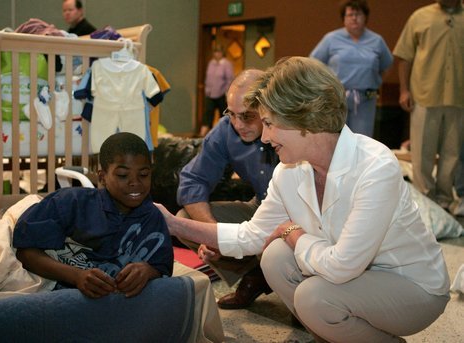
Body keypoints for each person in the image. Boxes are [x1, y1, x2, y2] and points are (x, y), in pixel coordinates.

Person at [157, 56, 450, 342]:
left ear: (305, 119)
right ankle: (332, 336)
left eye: (269, 123)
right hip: (347, 274)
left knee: (314, 298)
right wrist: (173, 224)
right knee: (274, 258)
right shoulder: (290, 171)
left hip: (412, 287)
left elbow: (342, 266)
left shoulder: (375, 166)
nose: (264, 137)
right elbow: (250, 235)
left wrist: (293, 234)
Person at [13, 132, 173, 299]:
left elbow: (162, 267)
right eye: (123, 175)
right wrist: (75, 276)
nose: (135, 183)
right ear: (102, 177)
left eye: (144, 174)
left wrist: (148, 271)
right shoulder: (71, 202)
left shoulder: (152, 218)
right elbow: (24, 251)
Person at [177, 69, 279, 309]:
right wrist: (214, 235)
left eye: (247, 116)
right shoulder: (226, 130)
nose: (237, 124)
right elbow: (192, 181)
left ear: (268, 108)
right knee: (187, 222)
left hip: (297, 215)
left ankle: (291, 287)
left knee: (278, 254)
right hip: (260, 206)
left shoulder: (288, 128)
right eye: (231, 114)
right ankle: (256, 274)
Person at [393, 0, 464, 212]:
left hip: (458, 98)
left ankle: (444, 199)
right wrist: (404, 90)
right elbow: (404, 57)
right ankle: (425, 201)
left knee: (452, 153)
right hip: (424, 95)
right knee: (422, 151)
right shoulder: (419, 16)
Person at [310, 0, 393, 138]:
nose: (354, 18)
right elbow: (314, 63)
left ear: (365, 17)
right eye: (350, 14)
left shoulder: (376, 40)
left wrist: (376, 82)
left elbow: (387, 65)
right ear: (344, 18)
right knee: (335, 138)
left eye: (358, 14)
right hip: (336, 98)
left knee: (362, 140)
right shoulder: (331, 39)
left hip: (365, 99)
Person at [199, 45, 234, 137]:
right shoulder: (211, 63)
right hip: (210, 94)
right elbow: (208, 78)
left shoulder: (226, 64)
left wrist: (226, 91)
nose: (217, 54)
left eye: (219, 52)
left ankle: (224, 134)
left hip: (221, 94)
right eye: (215, 52)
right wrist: (207, 90)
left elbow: (229, 79)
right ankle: (203, 135)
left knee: (223, 114)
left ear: (222, 53)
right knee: (208, 113)